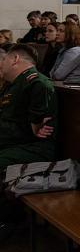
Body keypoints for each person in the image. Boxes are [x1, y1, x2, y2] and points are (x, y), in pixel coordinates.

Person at [0, 45, 57, 175]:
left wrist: (36, 125)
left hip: (32, 147)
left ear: (15, 59)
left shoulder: (36, 83)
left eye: (4, 59)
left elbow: (34, 130)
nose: (2, 64)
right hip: (13, 142)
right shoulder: (13, 84)